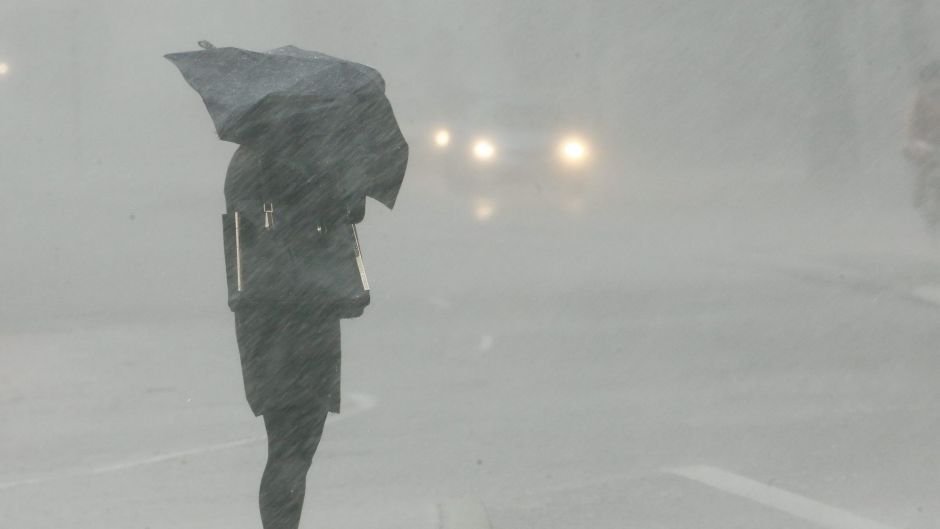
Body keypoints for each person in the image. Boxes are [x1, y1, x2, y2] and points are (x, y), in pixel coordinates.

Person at [224, 141, 367, 529]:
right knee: (297, 447)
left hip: (264, 317)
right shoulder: (315, 158)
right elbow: (351, 210)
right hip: (307, 314)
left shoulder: (248, 160)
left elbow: (246, 225)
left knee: (286, 445)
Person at [905, 60, 940, 207]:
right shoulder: (919, 98)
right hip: (926, 141)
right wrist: (915, 142)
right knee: (925, 165)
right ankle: (921, 194)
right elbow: (912, 123)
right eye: (932, 78)